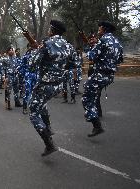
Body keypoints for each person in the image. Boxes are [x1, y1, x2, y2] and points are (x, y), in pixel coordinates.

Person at [29, 20, 73, 156]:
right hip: (59, 84)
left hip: (45, 85)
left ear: (52, 31)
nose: (48, 31)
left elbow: (32, 64)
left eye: (49, 29)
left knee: (33, 112)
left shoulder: (47, 44)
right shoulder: (68, 45)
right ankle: (48, 127)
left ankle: (49, 143)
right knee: (42, 104)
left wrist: (35, 48)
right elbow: (74, 63)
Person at [82, 21, 123, 137]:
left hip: (100, 74)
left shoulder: (103, 40)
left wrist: (90, 49)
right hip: (110, 76)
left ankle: (96, 124)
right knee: (92, 92)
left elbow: (91, 56)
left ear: (104, 29)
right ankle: (96, 116)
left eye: (99, 28)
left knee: (85, 98)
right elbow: (120, 59)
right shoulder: (117, 42)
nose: (98, 30)